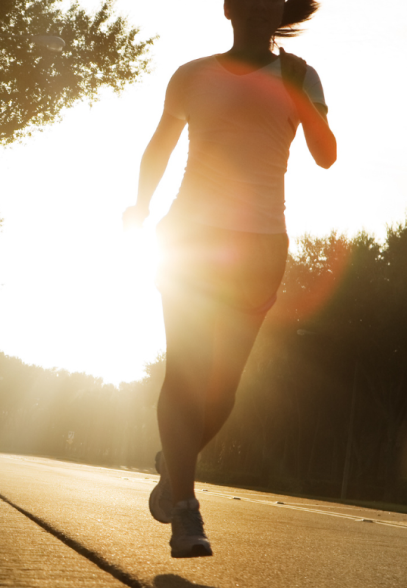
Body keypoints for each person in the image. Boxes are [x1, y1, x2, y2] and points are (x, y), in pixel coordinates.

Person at [122, 0, 336, 557]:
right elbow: (161, 144)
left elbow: (326, 154)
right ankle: (187, 513)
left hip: (261, 244)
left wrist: (296, 93)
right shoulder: (192, 75)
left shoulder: (301, 74)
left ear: (281, 9)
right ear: (229, 7)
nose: (260, 3)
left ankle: (175, 469)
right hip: (190, 238)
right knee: (186, 373)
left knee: (223, 391)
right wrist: (140, 205)